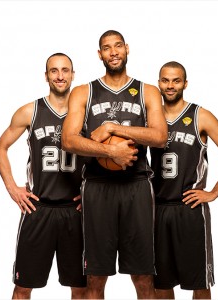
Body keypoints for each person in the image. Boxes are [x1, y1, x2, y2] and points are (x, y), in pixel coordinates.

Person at [62, 30, 168, 299]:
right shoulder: (83, 91)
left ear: (127, 49)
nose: (113, 52)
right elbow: (68, 140)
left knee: (144, 277)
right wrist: (110, 151)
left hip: (137, 185)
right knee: (95, 278)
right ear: (100, 55)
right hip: (97, 187)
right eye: (107, 48)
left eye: (117, 46)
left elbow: (159, 136)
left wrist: (112, 127)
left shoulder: (148, 91)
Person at [0, 53, 86, 299]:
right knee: (23, 288)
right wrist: (12, 188)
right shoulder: (29, 111)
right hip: (38, 208)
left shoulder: (85, 115)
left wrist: (91, 192)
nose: (60, 76)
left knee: (81, 288)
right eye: (54, 71)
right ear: (46, 76)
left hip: (75, 211)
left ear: (73, 75)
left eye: (65, 70)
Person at [151, 61, 218, 299]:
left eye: (176, 80)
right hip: (156, 209)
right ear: (158, 83)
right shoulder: (150, 117)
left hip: (189, 209)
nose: (170, 86)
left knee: (199, 283)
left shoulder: (200, 116)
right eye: (165, 80)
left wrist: (213, 192)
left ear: (185, 83)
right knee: (161, 285)